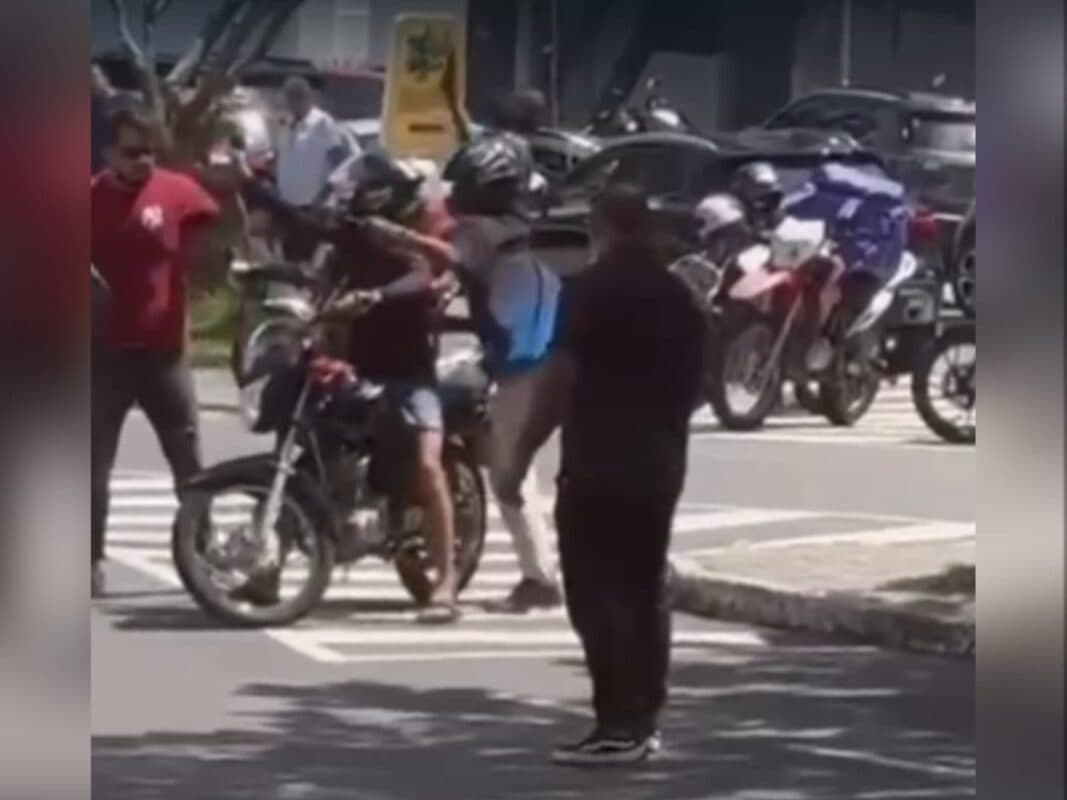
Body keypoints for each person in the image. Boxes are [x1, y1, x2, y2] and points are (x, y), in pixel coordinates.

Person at [509, 183, 706, 765]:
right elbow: (701, 383)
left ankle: (617, 721)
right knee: (644, 589)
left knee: (595, 592)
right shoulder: (683, 297)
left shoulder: (589, 292)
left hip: (599, 460)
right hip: (660, 462)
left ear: (600, 229)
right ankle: (642, 716)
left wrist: (521, 453)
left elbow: (559, 379)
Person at [314, 152, 462, 624]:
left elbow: (432, 269)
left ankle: (447, 583)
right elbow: (306, 256)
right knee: (306, 443)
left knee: (426, 467)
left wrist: (374, 295)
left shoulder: (407, 250)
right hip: (352, 372)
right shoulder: (344, 252)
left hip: (409, 378)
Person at [90, 106, 221, 598]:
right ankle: (89, 561)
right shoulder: (88, 199)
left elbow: (217, 232)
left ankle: (201, 554)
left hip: (164, 355)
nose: (142, 160)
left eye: (149, 151)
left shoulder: (178, 193)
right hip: (103, 357)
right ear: (109, 154)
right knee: (91, 466)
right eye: (130, 152)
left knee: (189, 461)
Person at [274, 76, 355, 260]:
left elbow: (340, 162)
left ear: (307, 97)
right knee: (289, 256)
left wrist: (325, 196)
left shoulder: (322, 123)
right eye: (290, 97)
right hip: (287, 204)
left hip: (313, 206)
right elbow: (283, 157)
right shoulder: (286, 123)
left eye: (297, 97)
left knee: (307, 257)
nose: (293, 102)